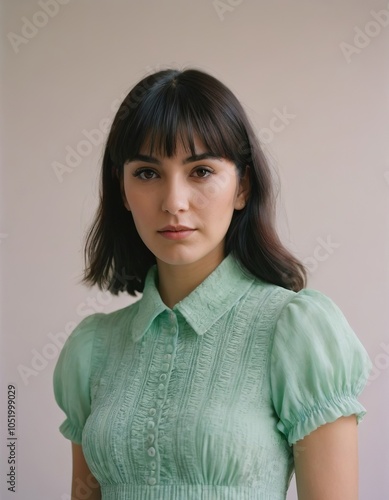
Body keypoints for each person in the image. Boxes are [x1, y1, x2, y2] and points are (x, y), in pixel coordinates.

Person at [53, 68, 373, 500]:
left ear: (242, 187)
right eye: (147, 173)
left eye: (201, 171)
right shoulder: (92, 349)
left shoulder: (295, 332)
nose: (174, 202)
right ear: (123, 191)